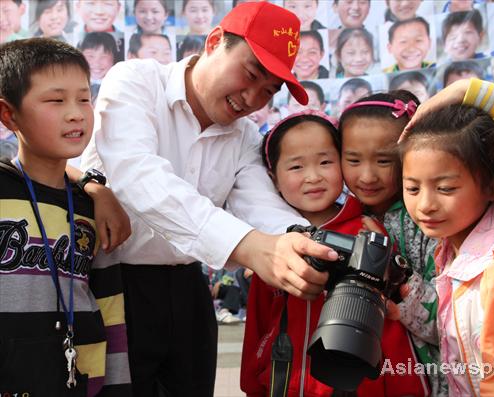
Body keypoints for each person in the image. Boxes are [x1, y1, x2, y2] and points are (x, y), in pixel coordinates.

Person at [79, 3, 339, 396]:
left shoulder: (245, 138)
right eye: (250, 74)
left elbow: (259, 204)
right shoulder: (136, 81)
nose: (251, 97)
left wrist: (302, 242)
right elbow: (138, 176)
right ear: (215, 41)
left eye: (268, 91)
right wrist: (251, 246)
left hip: (188, 289)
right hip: (114, 283)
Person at [242, 108, 429, 396]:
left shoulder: (369, 233)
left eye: (325, 162)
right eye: (296, 167)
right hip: (284, 382)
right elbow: (258, 322)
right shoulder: (270, 243)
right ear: (274, 177)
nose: (313, 177)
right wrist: (253, 385)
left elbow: (390, 329)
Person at [402, 76, 494, 396]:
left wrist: (466, 89)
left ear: (483, 184)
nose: (426, 204)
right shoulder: (447, 252)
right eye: (412, 188)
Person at [0, 37, 131, 395]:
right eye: (56, 100)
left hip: (80, 381)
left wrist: (118, 388)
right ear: (9, 114)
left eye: (84, 98)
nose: (75, 113)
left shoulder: (95, 210)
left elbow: (109, 310)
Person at [340, 91, 445, 396]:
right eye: (353, 160)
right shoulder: (341, 218)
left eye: (384, 160)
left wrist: (391, 269)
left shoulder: (427, 221)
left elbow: (446, 321)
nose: (367, 175)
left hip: (422, 377)